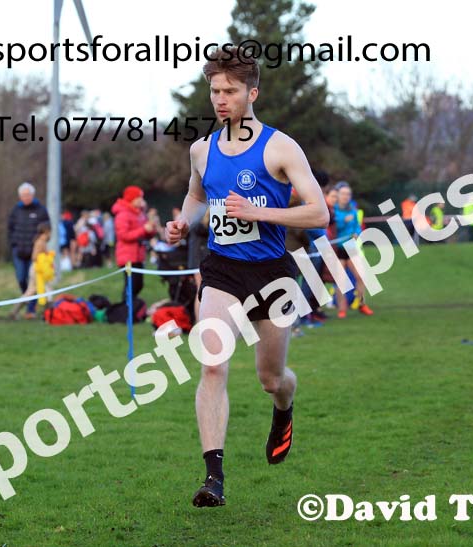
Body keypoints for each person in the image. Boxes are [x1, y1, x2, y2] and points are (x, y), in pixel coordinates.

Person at [164, 47, 329, 508]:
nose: (220, 99)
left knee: (271, 379)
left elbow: (319, 212)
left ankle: (284, 409)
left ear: (252, 92)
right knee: (213, 363)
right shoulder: (202, 149)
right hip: (222, 270)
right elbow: (197, 195)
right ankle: (213, 476)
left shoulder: (279, 146)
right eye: (215, 90)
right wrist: (183, 221)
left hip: (273, 273)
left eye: (230, 91)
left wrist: (262, 211)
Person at [7, 182, 49, 319]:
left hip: (35, 255)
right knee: (21, 278)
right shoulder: (15, 211)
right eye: (23, 195)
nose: (26, 197)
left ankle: (31, 309)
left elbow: (47, 230)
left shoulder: (41, 210)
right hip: (19, 251)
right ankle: (27, 302)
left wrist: (42, 246)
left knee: (35, 282)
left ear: (32, 195)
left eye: (28, 194)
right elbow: (10, 229)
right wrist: (13, 244)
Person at [332, 183, 374, 318]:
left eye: (348, 194)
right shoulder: (333, 210)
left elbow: (357, 226)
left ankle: (362, 304)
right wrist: (343, 221)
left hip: (351, 246)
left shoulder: (353, 210)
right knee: (340, 281)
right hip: (338, 248)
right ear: (338, 195)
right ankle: (342, 309)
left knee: (361, 277)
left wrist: (357, 233)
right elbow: (332, 227)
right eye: (343, 194)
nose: (345, 196)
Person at [112, 185, 156, 299]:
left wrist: (151, 229)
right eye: (139, 198)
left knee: (138, 285)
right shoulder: (122, 214)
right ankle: (127, 311)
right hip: (128, 257)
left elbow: (145, 233)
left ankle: (132, 309)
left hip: (138, 256)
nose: (142, 201)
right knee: (131, 286)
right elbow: (123, 235)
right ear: (132, 199)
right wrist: (143, 229)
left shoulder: (140, 214)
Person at [10, 223, 53, 319]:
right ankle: (48, 314)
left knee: (31, 291)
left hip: (38, 269)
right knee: (47, 290)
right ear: (46, 231)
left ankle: (14, 311)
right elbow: (34, 257)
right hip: (38, 270)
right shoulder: (40, 242)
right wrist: (45, 258)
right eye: (50, 232)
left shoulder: (42, 242)